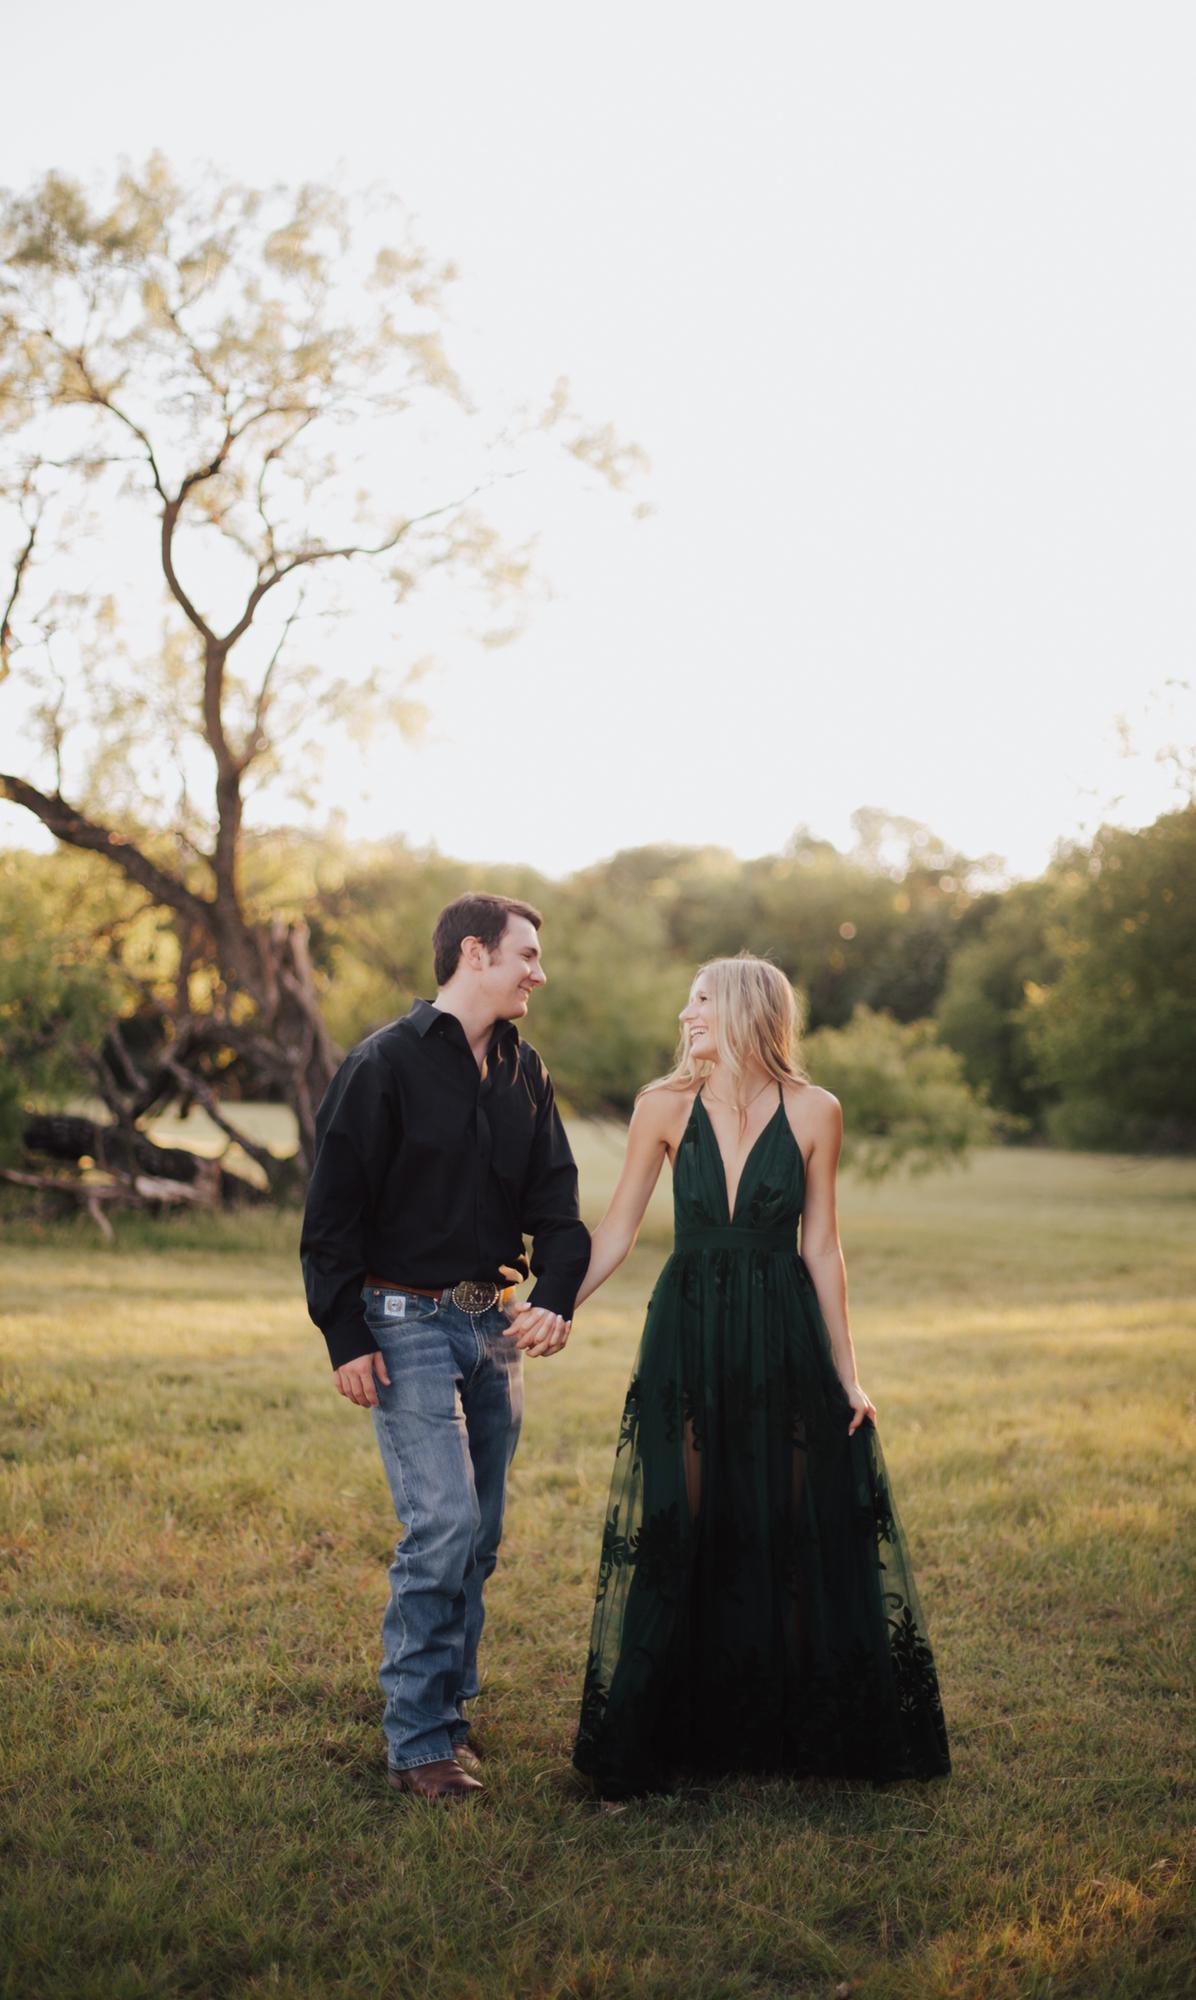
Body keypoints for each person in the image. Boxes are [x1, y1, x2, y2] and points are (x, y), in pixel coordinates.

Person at [571, 954, 950, 1798]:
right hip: (689, 1329)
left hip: (784, 1330)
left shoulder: (817, 1110)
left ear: (745, 1009)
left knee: (787, 1520)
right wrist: (556, 1307)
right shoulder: (662, 1106)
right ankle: (658, 1732)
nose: (685, 1015)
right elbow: (618, 1230)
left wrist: (849, 1375)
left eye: (700, 1001)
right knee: (678, 1514)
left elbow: (822, 1246)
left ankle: (794, 1727)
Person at [301, 892, 589, 1802]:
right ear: (474, 953)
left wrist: (556, 1295)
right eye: (527, 955)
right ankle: (418, 1740)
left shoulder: (524, 1071)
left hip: (492, 1327)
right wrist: (345, 1334)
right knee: (444, 1525)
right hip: (402, 1322)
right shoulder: (382, 1063)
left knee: (481, 1537)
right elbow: (331, 1214)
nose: (539, 973)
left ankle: (448, 1711)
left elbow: (557, 1204)